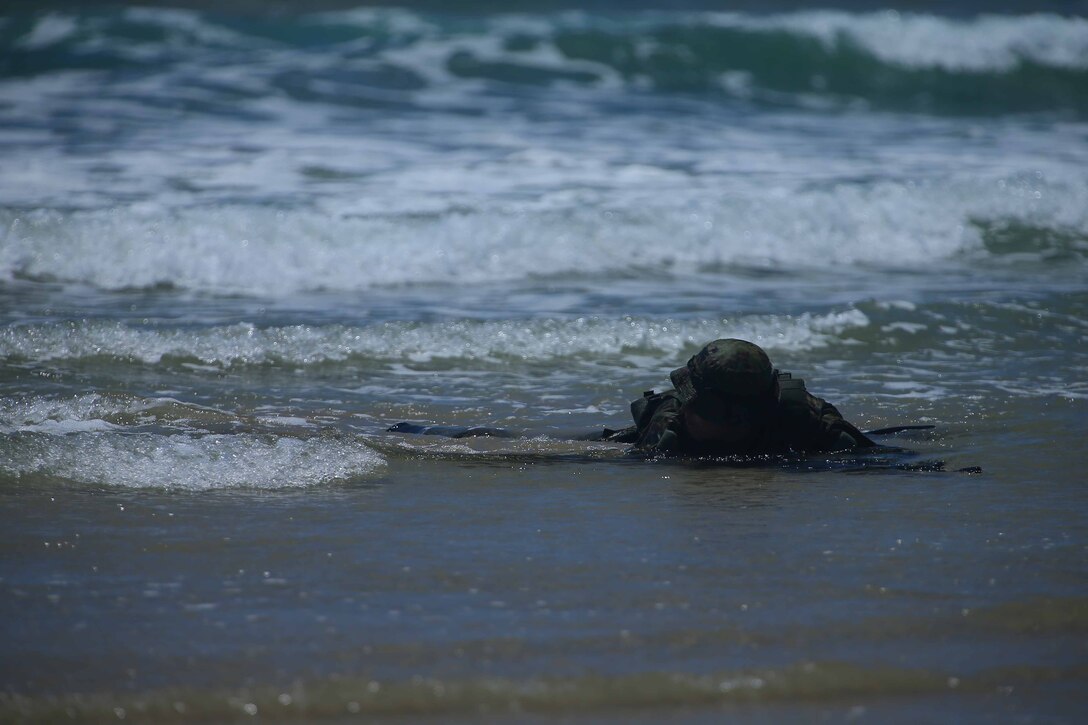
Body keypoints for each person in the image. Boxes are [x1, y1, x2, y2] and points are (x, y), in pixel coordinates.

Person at [598, 338, 876, 457]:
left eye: (695, 403)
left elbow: (866, 456)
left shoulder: (804, 420)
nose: (685, 407)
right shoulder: (668, 428)